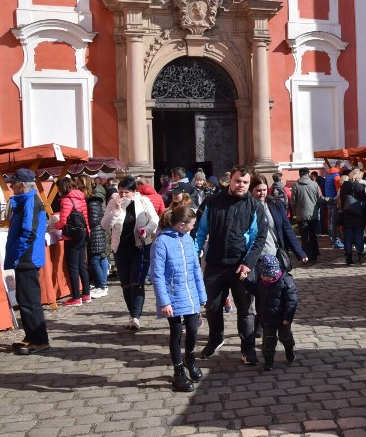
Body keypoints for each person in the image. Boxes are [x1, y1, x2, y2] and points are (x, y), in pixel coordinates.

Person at [194, 165, 268, 365]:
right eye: (238, 181)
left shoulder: (255, 206)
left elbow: (259, 238)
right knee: (213, 306)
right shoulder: (212, 202)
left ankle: (248, 348)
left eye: (245, 182)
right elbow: (199, 232)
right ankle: (215, 338)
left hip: (240, 267)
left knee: (246, 310)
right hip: (215, 265)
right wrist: (193, 257)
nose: (241, 185)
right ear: (230, 181)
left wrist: (248, 263)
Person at [248, 174, 308, 371]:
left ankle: (270, 326)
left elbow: (287, 229)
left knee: (277, 292)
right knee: (260, 292)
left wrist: (300, 253)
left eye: (264, 190)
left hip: (274, 258)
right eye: (258, 190)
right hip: (254, 259)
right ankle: (263, 325)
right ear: (251, 191)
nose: (262, 193)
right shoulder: (245, 207)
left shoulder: (275, 205)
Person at [150, 206, 207, 392]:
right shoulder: (161, 242)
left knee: (193, 330)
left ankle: (190, 359)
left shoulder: (188, 240)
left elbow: (196, 269)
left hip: (190, 294)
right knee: (176, 333)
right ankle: (178, 372)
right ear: (182, 225)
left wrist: (202, 295)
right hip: (172, 296)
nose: (193, 228)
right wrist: (164, 301)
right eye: (192, 225)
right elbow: (157, 275)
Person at [102, 176, 159, 331]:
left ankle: (136, 317)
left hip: (140, 247)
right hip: (120, 248)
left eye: (126, 192)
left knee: (137, 282)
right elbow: (105, 225)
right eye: (120, 192)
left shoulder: (143, 202)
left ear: (134, 192)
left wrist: (146, 230)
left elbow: (155, 220)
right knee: (126, 284)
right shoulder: (113, 203)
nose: (122, 196)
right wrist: (116, 210)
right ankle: (131, 314)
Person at [4, 169, 50, 355]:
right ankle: (32, 336)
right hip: (25, 257)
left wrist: (17, 252)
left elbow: (29, 232)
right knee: (24, 299)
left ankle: (39, 340)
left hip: (27, 257)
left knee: (29, 300)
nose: (10, 185)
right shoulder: (27, 200)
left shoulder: (30, 200)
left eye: (13, 182)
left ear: (22, 185)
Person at [52, 176, 91, 307]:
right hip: (83, 234)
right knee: (82, 266)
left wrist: (54, 226)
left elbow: (63, 221)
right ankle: (86, 294)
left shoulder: (66, 200)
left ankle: (76, 297)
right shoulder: (81, 197)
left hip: (72, 237)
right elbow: (85, 217)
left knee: (73, 268)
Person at [75, 174, 109, 298]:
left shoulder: (92, 201)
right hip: (98, 230)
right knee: (101, 257)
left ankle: (102, 285)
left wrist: (85, 223)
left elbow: (94, 219)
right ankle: (102, 284)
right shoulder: (94, 199)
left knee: (95, 259)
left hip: (95, 231)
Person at [338, 168, 366, 265]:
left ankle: (349, 256)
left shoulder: (344, 186)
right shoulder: (360, 186)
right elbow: (365, 201)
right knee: (359, 235)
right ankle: (361, 255)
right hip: (358, 214)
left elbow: (342, 200)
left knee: (348, 236)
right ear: (358, 176)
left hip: (347, 214)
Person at [291, 167, 321, 264]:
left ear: (300, 174)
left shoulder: (295, 185)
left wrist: (295, 213)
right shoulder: (314, 184)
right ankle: (315, 255)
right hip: (313, 214)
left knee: (304, 236)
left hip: (301, 215)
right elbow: (319, 198)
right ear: (308, 174)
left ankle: (306, 256)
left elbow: (292, 201)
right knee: (313, 235)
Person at [323, 161, 344, 248]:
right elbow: (339, 189)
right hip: (334, 199)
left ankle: (332, 239)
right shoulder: (336, 175)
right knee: (333, 221)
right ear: (339, 166)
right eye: (343, 167)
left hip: (328, 197)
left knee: (330, 220)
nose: (343, 169)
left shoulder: (328, 174)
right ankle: (335, 240)